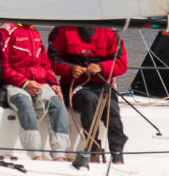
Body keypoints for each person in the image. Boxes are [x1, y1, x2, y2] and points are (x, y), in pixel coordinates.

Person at [50, 25, 128, 168]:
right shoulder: (62, 31)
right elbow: (52, 60)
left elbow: (121, 64)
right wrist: (69, 69)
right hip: (73, 87)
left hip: (102, 86)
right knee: (89, 99)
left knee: (112, 109)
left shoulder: (110, 33)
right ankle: (93, 150)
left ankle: (117, 153)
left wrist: (101, 67)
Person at [0, 21, 71, 161]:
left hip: (38, 83)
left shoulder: (34, 32)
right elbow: (1, 66)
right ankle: (35, 154)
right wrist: (24, 83)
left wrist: (53, 83)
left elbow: (45, 64)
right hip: (13, 84)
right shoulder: (4, 32)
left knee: (57, 104)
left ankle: (59, 155)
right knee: (24, 103)